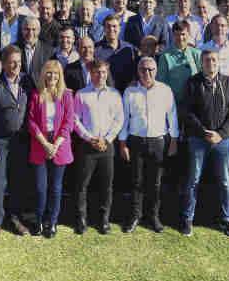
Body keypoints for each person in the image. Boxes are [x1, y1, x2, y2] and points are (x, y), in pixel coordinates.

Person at [180, 49, 229, 237]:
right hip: (198, 139)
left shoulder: (228, 82)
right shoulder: (192, 82)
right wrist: (203, 132)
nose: (210, 63)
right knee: (193, 180)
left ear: (218, 62)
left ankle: (226, 219)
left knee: (224, 181)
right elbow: (186, 111)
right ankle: (188, 219)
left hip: (223, 140)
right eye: (207, 60)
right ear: (201, 63)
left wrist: (220, 133)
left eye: (214, 60)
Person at [0, 44, 34, 244]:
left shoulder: (27, 81)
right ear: (3, 64)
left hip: (21, 142)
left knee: (18, 182)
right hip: (0, 142)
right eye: (11, 62)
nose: (15, 66)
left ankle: (15, 218)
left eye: (18, 62)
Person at [119, 56, 179, 233]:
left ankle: (153, 216)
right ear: (138, 71)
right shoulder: (130, 92)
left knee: (156, 182)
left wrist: (174, 140)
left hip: (158, 141)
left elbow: (172, 116)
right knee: (136, 181)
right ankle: (135, 216)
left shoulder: (165, 90)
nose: (147, 73)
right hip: (136, 141)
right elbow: (124, 119)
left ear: (156, 71)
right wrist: (122, 144)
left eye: (150, 69)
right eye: (143, 69)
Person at [72, 59, 124, 234]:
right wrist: (89, 138)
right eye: (97, 72)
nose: (100, 75)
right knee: (82, 185)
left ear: (107, 73)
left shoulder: (115, 95)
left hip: (107, 146)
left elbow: (119, 120)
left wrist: (107, 139)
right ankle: (81, 220)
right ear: (91, 73)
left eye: (103, 72)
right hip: (87, 146)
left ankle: (103, 220)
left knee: (106, 185)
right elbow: (75, 119)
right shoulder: (81, 94)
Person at [26, 59, 75, 237]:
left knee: (56, 187)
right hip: (40, 143)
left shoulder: (67, 95)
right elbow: (31, 122)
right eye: (49, 72)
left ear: (60, 75)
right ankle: (39, 220)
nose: (52, 76)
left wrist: (55, 145)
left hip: (60, 144)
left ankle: (52, 222)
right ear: (43, 75)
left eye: (55, 73)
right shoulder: (36, 94)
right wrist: (45, 144)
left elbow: (68, 122)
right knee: (40, 187)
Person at [95, 13, 137, 91]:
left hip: (127, 92)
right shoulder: (96, 49)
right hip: (105, 92)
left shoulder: (129, 48)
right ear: (104, 29)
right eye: (108, 26)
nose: (111, 29)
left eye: (114, 26)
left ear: (120, 28)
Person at [201, 15, 229, 79]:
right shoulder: (202, 48)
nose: (219, 28)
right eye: (216, 25)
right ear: (211, 28)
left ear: (228, 29)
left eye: (222, 25)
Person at [19, 16, 56, 89]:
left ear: (39, 30)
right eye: (27, 29)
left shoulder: (49, 52)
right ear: (22, 30)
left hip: (40, 91)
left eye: (33, 29)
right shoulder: (15, 49)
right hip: (20, 92)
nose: (30, 33)